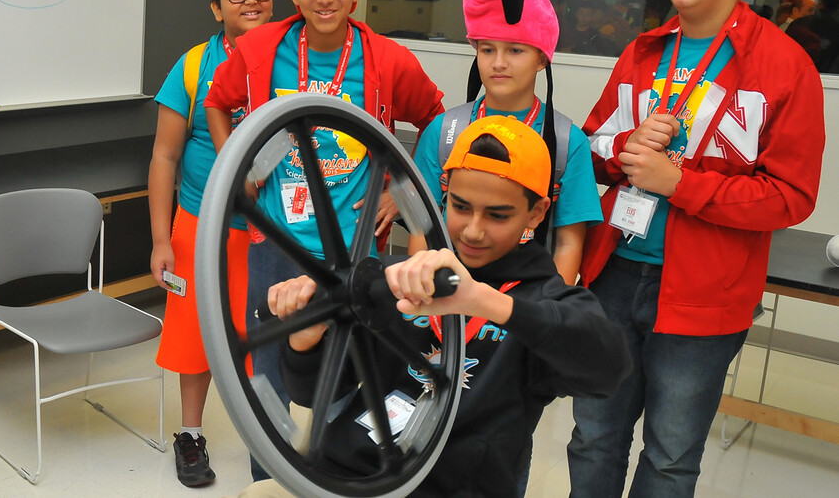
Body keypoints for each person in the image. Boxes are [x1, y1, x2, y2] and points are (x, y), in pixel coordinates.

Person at [567, 0, 825, 497]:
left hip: (706, 294)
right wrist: (625, 149)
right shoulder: (641, 52)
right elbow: (592, 153)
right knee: (593, 436)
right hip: (614, 273)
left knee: (671, 457)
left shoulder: (785, 67)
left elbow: (791, 197)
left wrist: (683, 184)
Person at [248, 115, 630, 497]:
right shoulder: (403, 281)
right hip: (347, 478)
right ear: (444, 193)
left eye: (498, 215)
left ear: (537, 212)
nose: (473, 230)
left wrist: (484, 300)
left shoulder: (544, 301)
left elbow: (609, 367)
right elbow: (315, 394)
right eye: (460, 207)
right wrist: (306, 337)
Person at [204, 0, 445, 480]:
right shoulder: (262, 48)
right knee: (267, 363)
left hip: (352, 245)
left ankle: (336, 471)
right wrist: (234, 165)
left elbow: (434, 123)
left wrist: (398, 192)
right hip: (277, 237)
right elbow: (218, 102)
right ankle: (270, 477)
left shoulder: (386, 59)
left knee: (345, 364)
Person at [148, 0, 281, 487]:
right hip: (199, 224)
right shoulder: (196, 65)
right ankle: (190, 435)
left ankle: (266, 440)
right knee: (194, 336)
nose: (250, 0)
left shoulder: (292, 60)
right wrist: (161, 239)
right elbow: (163, 157)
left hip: (272, 229)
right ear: (216, 6)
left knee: (267, 333)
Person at [412, 0, 603, 287]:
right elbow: (421, 230)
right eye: (487, 49)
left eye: (515, 50)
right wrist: (421, 306)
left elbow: (569, 242)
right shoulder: (444, 132)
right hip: (449, 299)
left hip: (524, 306)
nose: (498, 62)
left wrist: (545, 316)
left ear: (542, 59)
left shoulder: (566, 142)